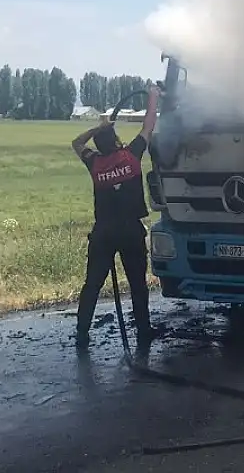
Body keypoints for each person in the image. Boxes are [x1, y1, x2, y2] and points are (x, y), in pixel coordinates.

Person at [72, 86, 160, 347]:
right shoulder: (131, 155)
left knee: (92, 285)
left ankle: (82, 332)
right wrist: (153, 96)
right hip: (131, 232)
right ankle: (143, 330)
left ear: (99, 145)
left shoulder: (94, 163)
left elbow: (76, 143)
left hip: (104, 233)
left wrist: (96, 129)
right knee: (138, 285)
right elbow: (149, 125)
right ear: (117, 140)